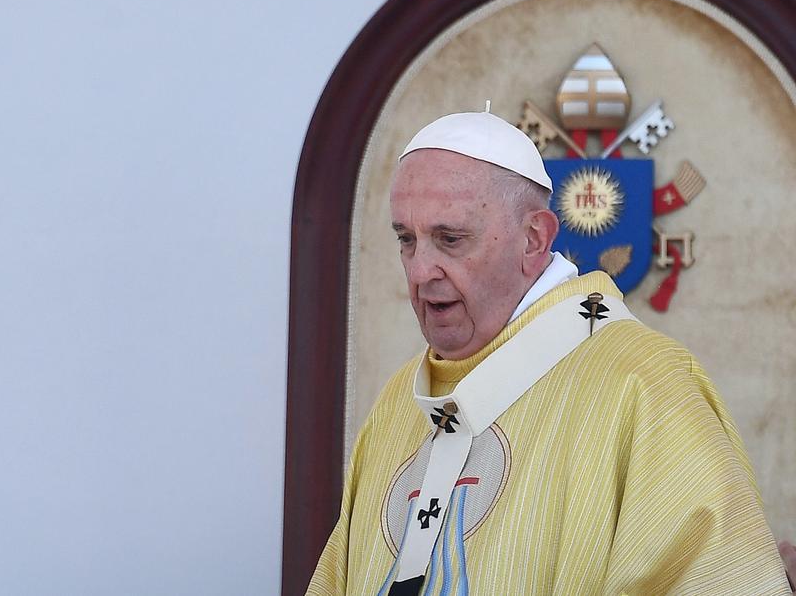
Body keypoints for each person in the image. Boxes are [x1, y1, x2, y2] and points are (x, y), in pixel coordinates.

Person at [306, 110, 791, 595]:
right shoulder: (397, 405)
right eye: (406, 240)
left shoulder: (645, 384)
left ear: (534, 238)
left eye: (450, 239)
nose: (419, 271)